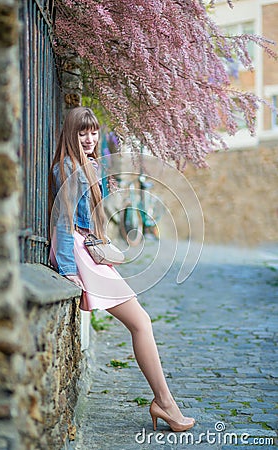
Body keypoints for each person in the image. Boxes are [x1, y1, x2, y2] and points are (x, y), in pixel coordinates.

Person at [48, 106, 195, 432]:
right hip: (79, 253)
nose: (89, 138)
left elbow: (92, 215)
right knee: (140, 322)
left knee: (141, 322)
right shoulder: (67, 167)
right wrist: (69, 271)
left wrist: (105, 186)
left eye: (94, 131)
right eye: (82, 132)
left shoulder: (88, 166)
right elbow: (63, 220)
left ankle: (164, 401)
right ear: (70, 135)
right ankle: (164, 403)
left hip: (87, 250)